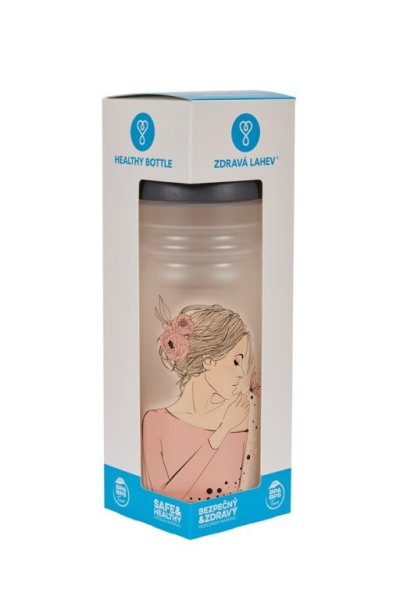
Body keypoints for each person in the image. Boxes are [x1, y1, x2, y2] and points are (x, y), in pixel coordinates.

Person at [141, 295, 259, 502]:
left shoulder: (243, 416)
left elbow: (248, 493)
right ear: (208, 361)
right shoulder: (155, 422)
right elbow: (159, 497)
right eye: (236, 362)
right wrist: (221, 431)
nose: (241, 373)